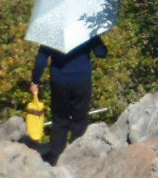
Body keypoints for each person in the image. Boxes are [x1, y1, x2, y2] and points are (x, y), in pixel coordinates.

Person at [31, 33, 107, 164]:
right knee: (80, 118)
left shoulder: (53, 31)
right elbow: (101, 53)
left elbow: (41, 60)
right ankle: (78, 156)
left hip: (59, 80)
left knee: (60, 119)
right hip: (82, 79)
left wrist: (35, 81)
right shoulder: (86, 28)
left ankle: (56, 157)